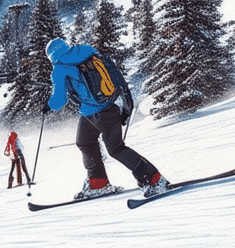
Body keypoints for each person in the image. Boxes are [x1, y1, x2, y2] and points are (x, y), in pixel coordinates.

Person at [45, 37, 168, 200]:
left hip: (98, 112)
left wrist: (48, 106)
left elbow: (60, 99)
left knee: (116, 148)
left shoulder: (59, 68)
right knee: (85, 142)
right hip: (102, 108)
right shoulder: (86, 52)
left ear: (51, 56)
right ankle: (98, 183)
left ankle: (154, 180)